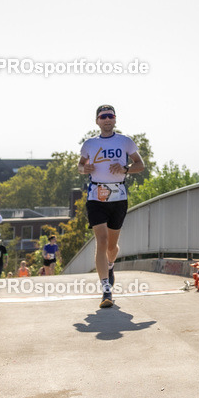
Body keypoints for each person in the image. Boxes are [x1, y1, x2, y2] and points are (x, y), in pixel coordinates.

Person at [78, 104, 145, 308]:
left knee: (112, 246)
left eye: (110, 116)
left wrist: (125, 168)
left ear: (115, 119)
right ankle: (105, 288)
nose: (107, 119)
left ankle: (110, 265)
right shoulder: (89, 144)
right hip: (96, 196)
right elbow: (81, 166)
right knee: (101, 240)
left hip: (118, 197)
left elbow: (140, 165)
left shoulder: (125, 141)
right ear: (97, 121)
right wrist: (85, 168)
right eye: (103, 116)